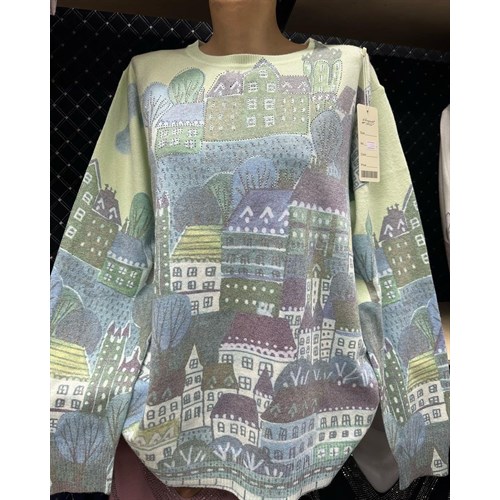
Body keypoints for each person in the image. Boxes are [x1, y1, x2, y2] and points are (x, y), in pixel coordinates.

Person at [50, 0, 450, 498]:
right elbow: (109, 253)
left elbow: (387, 240)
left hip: (314, 420)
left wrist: (423, 426)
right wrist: (67, 429)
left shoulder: (348, 72)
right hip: (171, 433)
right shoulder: (148, 78)